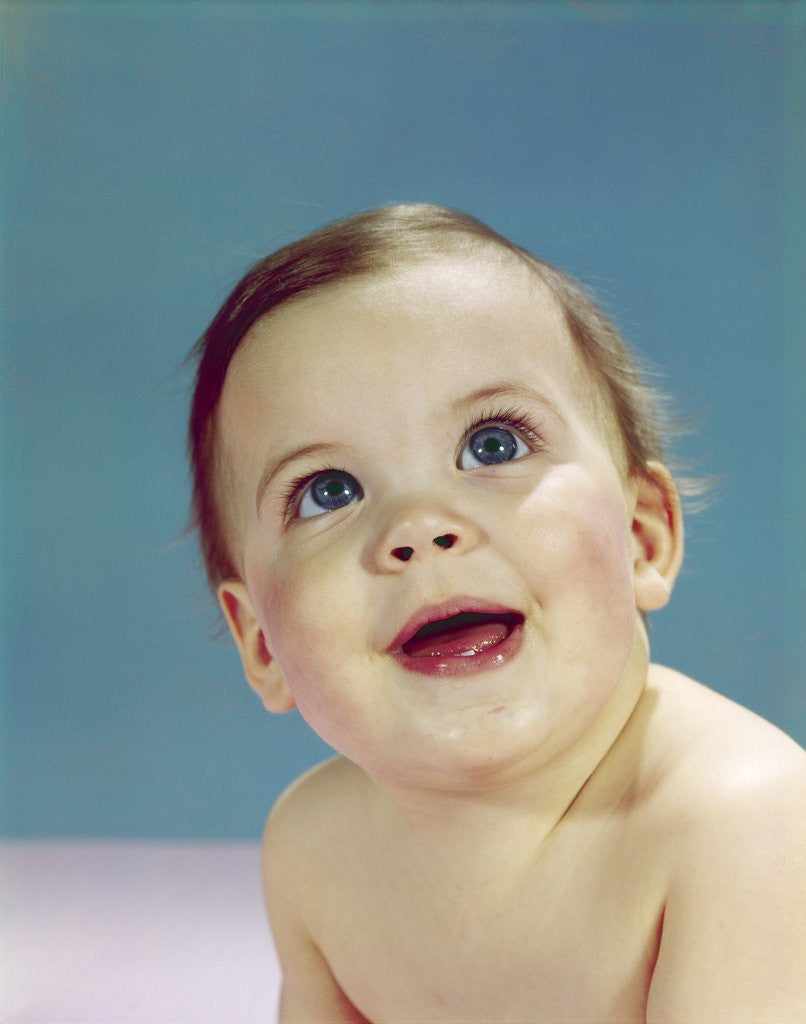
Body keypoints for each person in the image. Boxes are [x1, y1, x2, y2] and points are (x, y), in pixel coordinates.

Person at [187, 204, 805, 1023]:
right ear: (260, 642)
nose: (418, 526)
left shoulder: (738, 819)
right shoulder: (314, 849)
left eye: (494, 445)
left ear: (640, 536)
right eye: (328, 491)